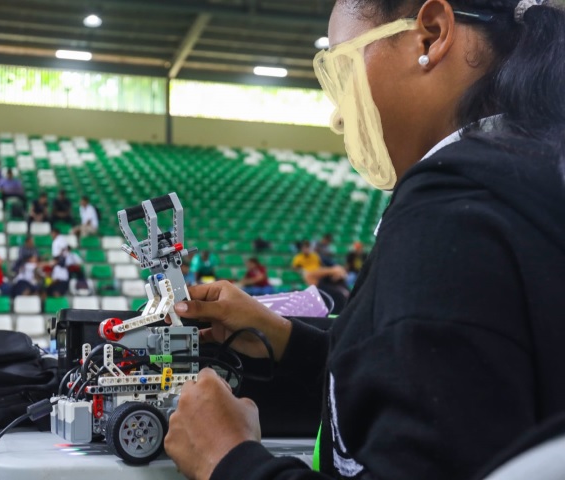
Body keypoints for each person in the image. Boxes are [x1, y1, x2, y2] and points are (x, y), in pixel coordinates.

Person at [164, 1, 565, 479]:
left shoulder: (454, 215)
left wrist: (228, 459)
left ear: (431, 35)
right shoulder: (527, 179)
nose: (338, 115)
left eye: (345, 68)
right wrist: (287, 342)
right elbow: (448, 382)